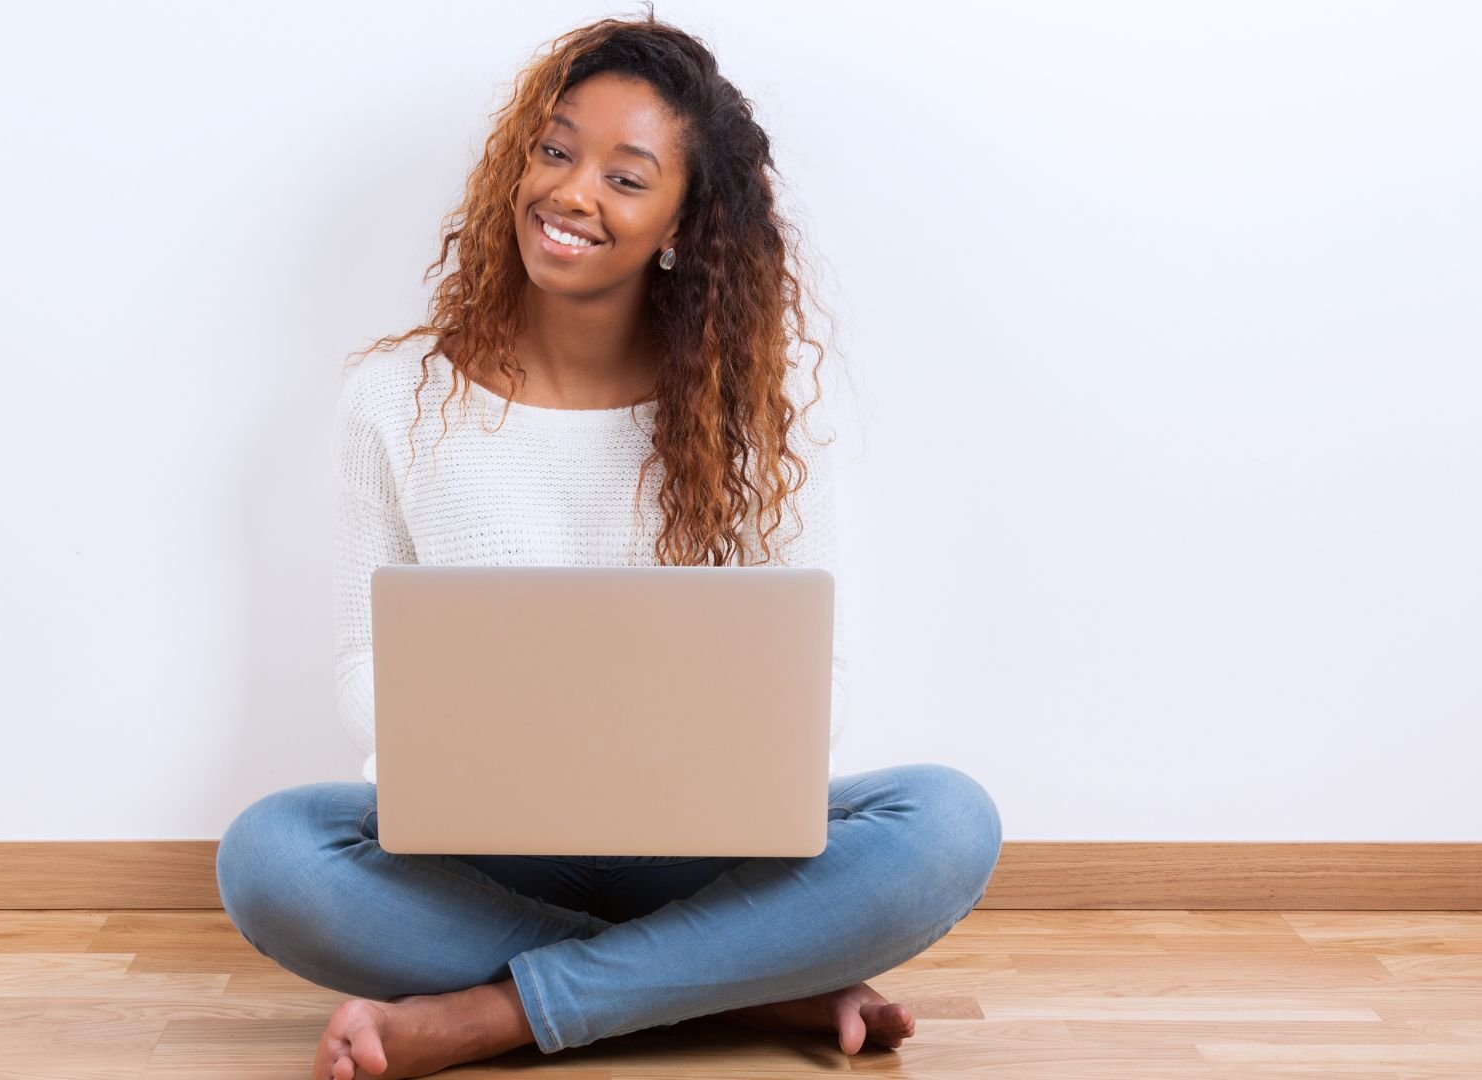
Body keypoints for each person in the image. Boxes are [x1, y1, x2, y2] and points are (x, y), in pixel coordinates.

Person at [217, 10, 1002, 1079]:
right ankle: (739, 980)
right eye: (555, 151)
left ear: (683, 222)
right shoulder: (392, 399)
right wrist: (486, 711)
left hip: (704, 847)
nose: (572, 193)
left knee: (948, 823)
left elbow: (817, 686)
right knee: (270, 858)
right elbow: (364, 666)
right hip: (478, 845)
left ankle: (491, 1015)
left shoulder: (758, 422)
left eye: (626, 178)